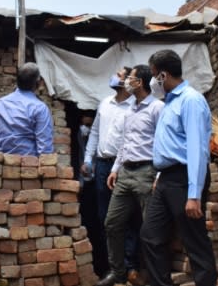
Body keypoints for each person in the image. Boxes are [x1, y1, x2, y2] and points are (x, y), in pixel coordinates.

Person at [140, 50, 217, 286]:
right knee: (150, 236)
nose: (152, 81)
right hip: (166, 179)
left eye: (153, 76)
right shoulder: (168, 103)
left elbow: (197, 149)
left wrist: (194, 194)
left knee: (194, 242)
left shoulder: (191, 100)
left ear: (163, 75)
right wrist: (160, 174)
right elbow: (171, 145)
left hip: (185, 178)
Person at [99, 65, 164, 286]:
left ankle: (155, 276)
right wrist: (115, 169)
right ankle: (118, 274)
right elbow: (125, 144)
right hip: (125, 172)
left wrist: (159, 175)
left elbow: (164, 143)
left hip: (147, 171)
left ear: (141, 83)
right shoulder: (129, 112)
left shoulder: (157, 108)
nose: (127, 81)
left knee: (150, 229)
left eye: (131, 78)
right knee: (112, 223)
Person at [81, 67, 138, 278]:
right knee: (105, 217)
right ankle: (114, 267)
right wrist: (88, 159)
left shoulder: (135, 107)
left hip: (125, 166)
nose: (114, 76)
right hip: (103, 166)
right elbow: (95, 132)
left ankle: (130, 265)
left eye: (120, 75)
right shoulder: (105, 103)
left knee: (128, 216)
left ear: (128, 82)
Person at [0, 62, 54, 156]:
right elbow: (45, 150)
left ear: (17, 81)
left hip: (2, 167)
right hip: (29, 167)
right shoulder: (40, 108)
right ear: (38, 83)